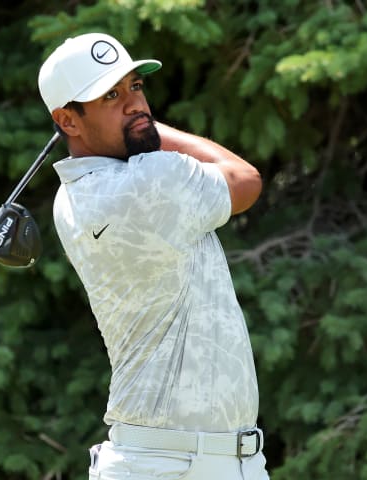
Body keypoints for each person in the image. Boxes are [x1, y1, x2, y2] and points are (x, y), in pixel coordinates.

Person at [37, 32, 268, 479]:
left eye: (135, 87)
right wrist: (148, 130)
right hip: (176, 465)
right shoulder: (149, 183)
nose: (135, 104)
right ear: (68, 120)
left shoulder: (72, 198)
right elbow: (245, 180)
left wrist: (131, 123)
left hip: (184, 460)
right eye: (111, 95)